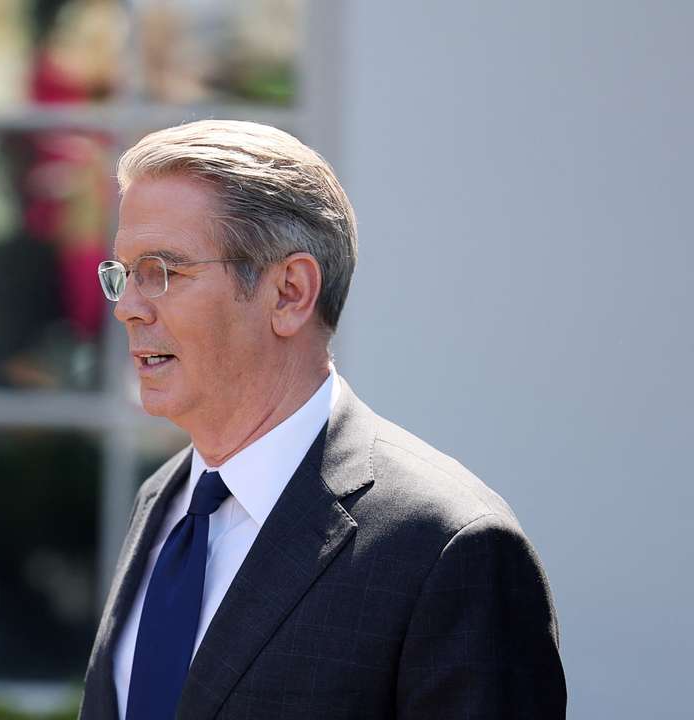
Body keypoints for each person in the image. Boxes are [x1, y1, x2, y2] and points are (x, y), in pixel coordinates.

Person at [79, 120, 566, 719]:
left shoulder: (448, 546)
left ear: (289, 292)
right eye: (124, 274)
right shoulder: (167, 501)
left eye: (164, 271)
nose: (127, 306)